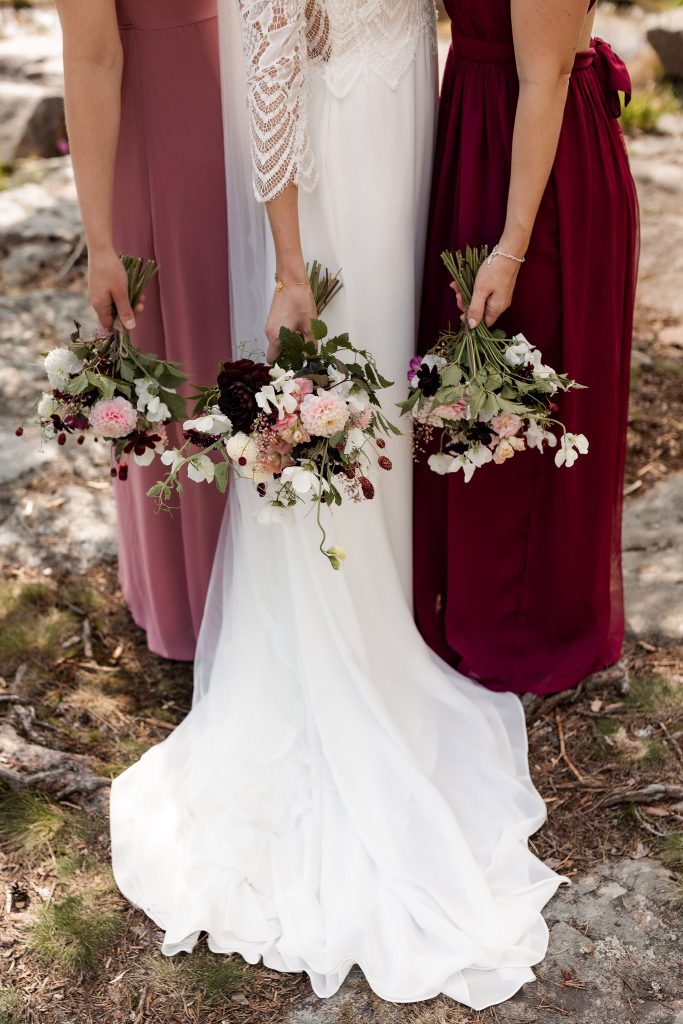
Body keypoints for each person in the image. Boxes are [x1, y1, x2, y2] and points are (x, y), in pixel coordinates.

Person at [110, 0, 564, 1010]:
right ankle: (341, 662)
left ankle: (393, 630)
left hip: (406, 145)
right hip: (327, 179)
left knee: (389, 431)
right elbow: (267, 64)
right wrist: (285, 265)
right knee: (340, 419)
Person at [414, 0, 639, 696]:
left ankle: (523, 631)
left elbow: (542, 80)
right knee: (474, 390)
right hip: (476, 135)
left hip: (539, 175)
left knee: (525, 398)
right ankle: (473, 605)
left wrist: (510, 250)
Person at [55, 0, 231, 661]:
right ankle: (193, 601)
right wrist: (101, 243)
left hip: (251, 133)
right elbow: (92, 56)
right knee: (184, 368)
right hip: (162, 148)